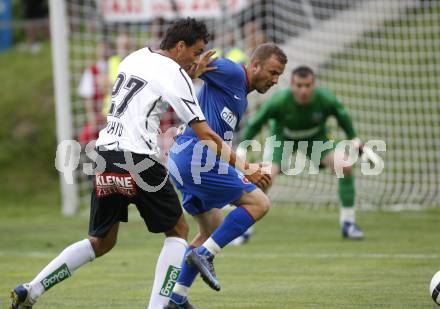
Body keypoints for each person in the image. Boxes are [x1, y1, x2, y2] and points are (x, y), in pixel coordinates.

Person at [10, 18, 269, 309]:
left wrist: (192, 72)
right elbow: (205, 133)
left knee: (101, 241)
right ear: (180, 46)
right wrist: (247, 167)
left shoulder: (134, 57)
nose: (197, 60)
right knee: (179, 233)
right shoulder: (174, 74)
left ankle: (31, 289)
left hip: (105, 155)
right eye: (195, 52)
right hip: (140, 160)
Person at [165, 43, 287, 308]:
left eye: (279, 75)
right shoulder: (232, 71)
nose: (275, 80)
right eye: (273, 72)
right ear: (255, 66)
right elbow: (186, 66)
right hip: (195, 156)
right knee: (259, 204)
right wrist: (194, 68)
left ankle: (177, 298)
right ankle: (205, 255)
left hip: (185, 159)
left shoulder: (240, 92)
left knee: (212, 228)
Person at [241, 65, 365, 240]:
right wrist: (242, 149)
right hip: (282, 138)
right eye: (299, 85)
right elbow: (255, 122)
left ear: (314, 84)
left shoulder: (325, 99)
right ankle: (244, 228)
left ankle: (349, 224)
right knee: (265, 177)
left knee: (344, 166)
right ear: (292, 85)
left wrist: (354, 138)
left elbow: (342, 115)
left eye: (307, 85)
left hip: (316, 137)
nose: (303, 90)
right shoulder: (280, 101)